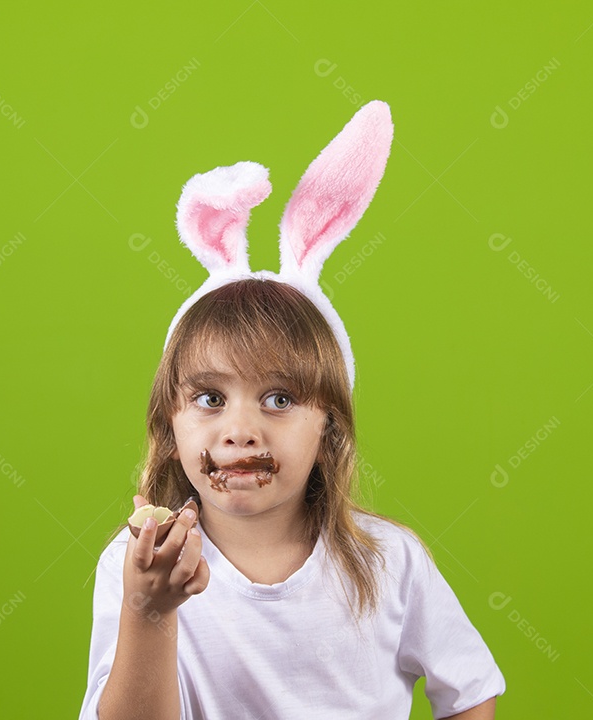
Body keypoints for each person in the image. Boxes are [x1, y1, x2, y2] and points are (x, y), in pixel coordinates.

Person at [78, 101, 505, 719]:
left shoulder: (389, 561)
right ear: (170, 426)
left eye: (279, 399)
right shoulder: (136, 564)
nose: (241, 430)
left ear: (329, 425)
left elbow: (469, 690)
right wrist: (149, 611)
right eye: (209, 399)